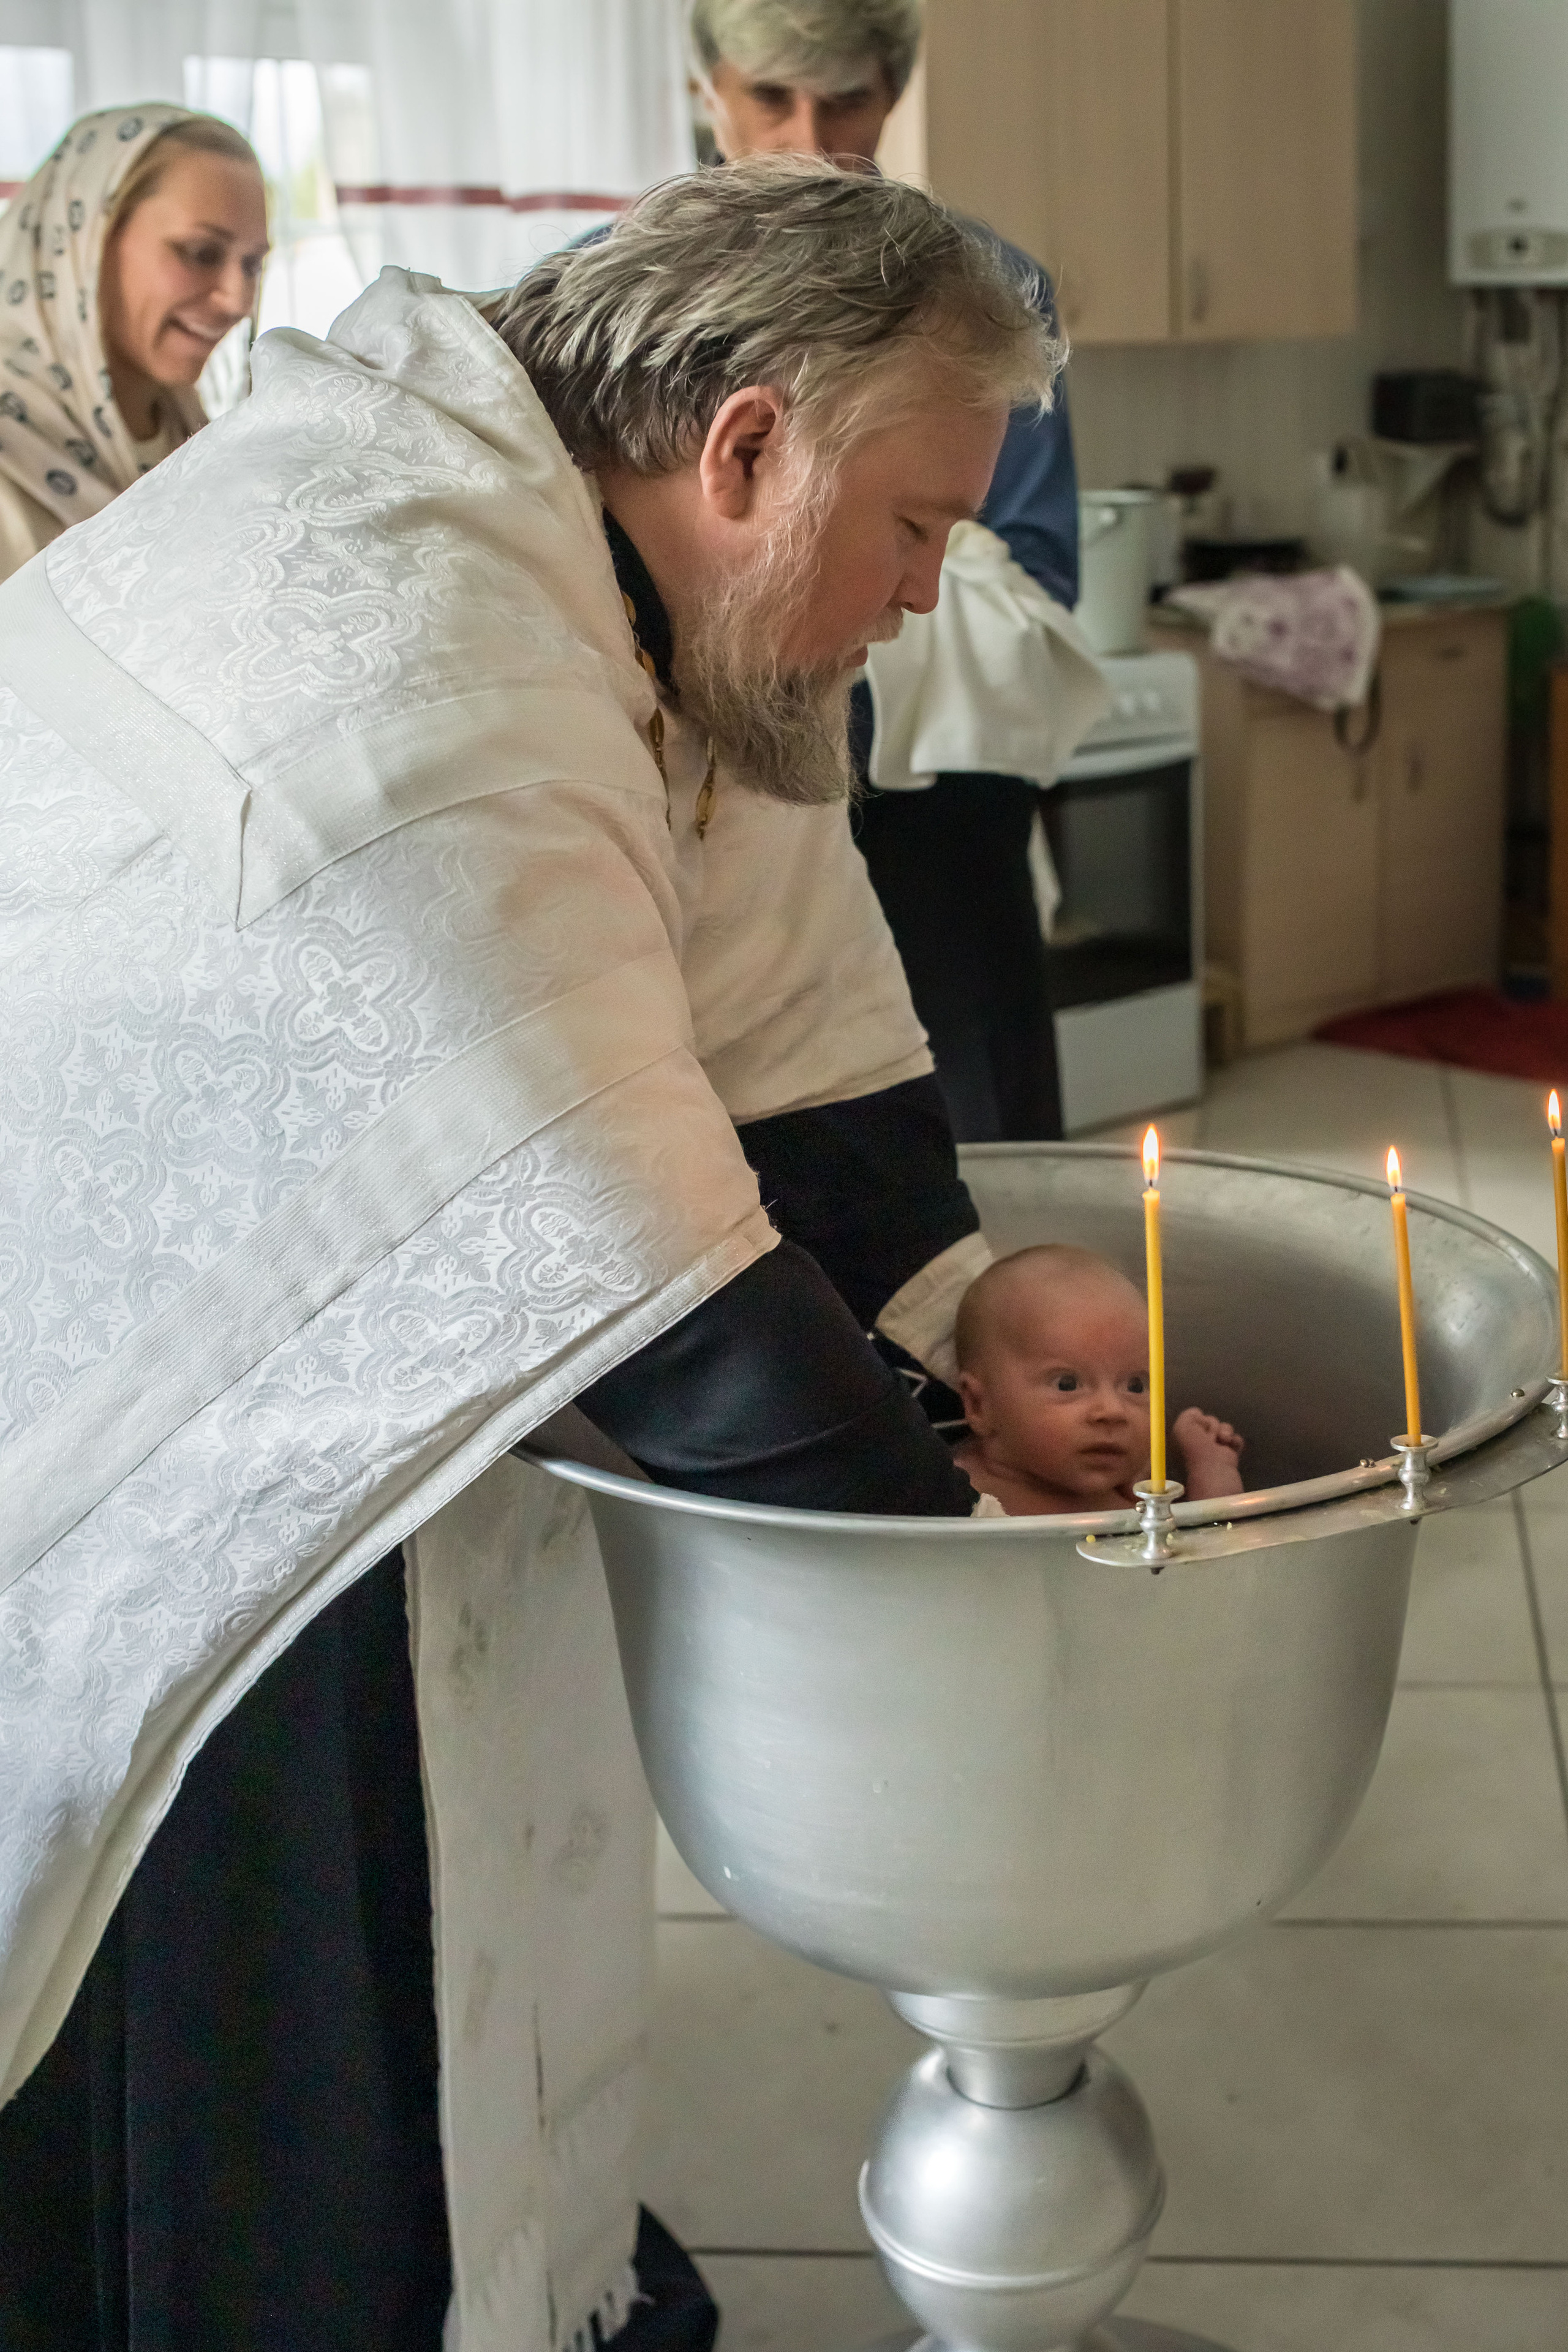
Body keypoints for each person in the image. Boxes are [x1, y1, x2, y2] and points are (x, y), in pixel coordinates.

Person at [0, 158, 1050, 2351]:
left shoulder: (575, 541)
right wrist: (986, 1567)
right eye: (918, 531)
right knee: (292, 2027)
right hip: (162, 1429)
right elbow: (662, 1297)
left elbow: (771, 994)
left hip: (284, 1351)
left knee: (449, 2013)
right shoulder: (411, 633)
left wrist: (976, 1304)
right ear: (750, 448)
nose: (927, 593)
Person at [690, 0, 1090, 1143]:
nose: (809, 136)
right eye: (771, 98)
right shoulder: (622, 288)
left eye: (847, 100)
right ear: (708, 90)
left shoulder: (985, 293)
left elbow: (1036, 574)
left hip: (933, 804)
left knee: (979, 1147)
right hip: (710, 802)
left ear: (895, 95)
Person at [0, 104, 266, 581]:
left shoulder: (191, 432)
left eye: (251, 264)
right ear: (84, 242)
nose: (238, 300)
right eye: (202, 253)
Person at [953, 1245, 1246, 1515]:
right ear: (980, 1405)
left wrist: (1210, 1477)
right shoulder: (955, 1491)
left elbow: (1211, 1556)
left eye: (1136, 1386)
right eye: (1067, 1384)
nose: (1112, 1412)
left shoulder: (1134, 1491)